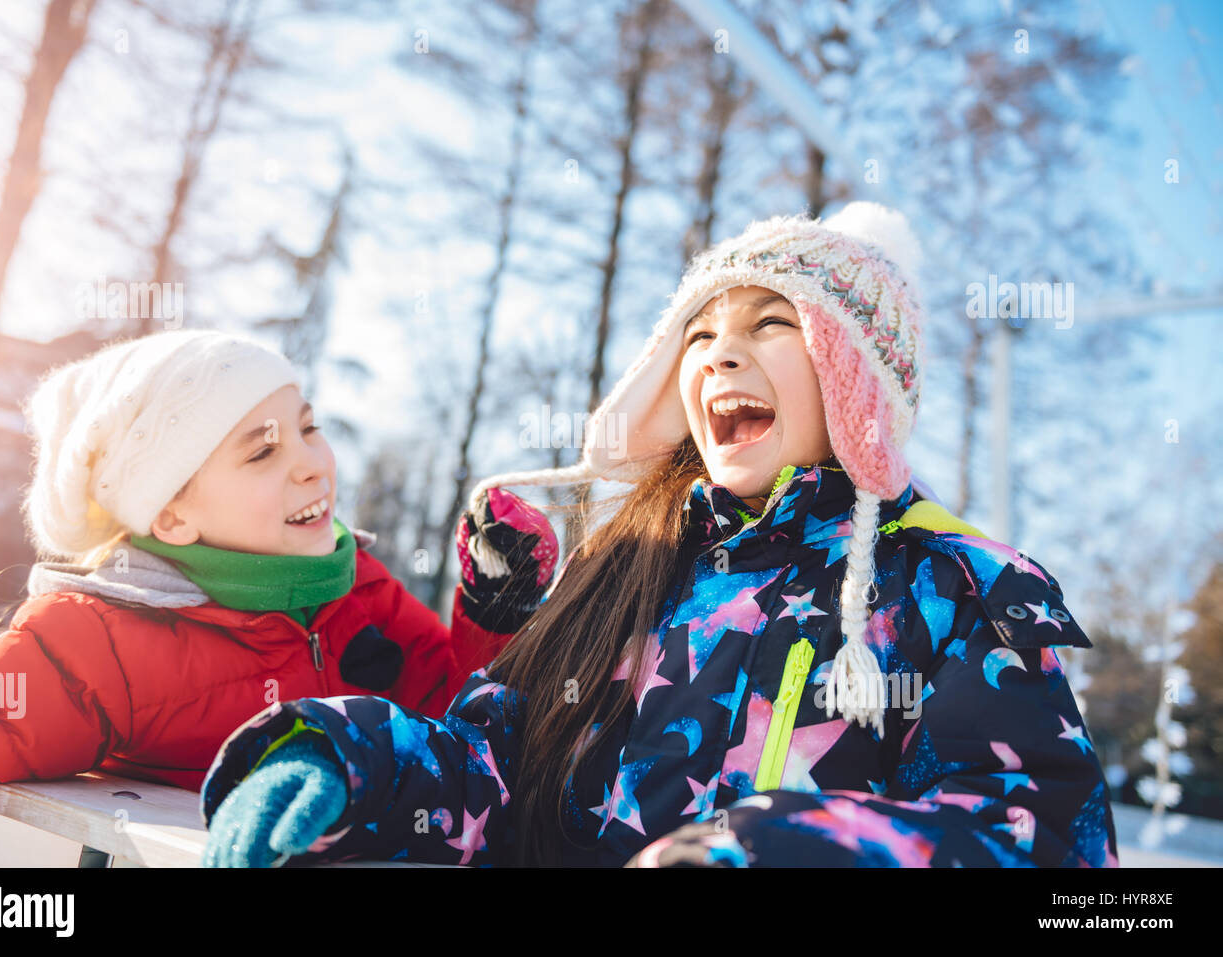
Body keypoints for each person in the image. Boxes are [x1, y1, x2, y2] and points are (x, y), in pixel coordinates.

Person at [200, 203, 1119, 868]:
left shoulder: (957, 593)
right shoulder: (625, 567)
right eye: (699, 333)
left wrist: (770, 849)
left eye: (772, 322)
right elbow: (494, 764)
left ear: (855, 378)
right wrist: (352, 761)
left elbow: (1041, 841)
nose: (721, 353)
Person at [0, 329, 553, 867]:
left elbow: (464, 733)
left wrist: (495, 610)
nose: (313, 464)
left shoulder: (356, 586)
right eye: (263, 451)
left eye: (308, 427)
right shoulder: (103, 641)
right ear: (171, 516)